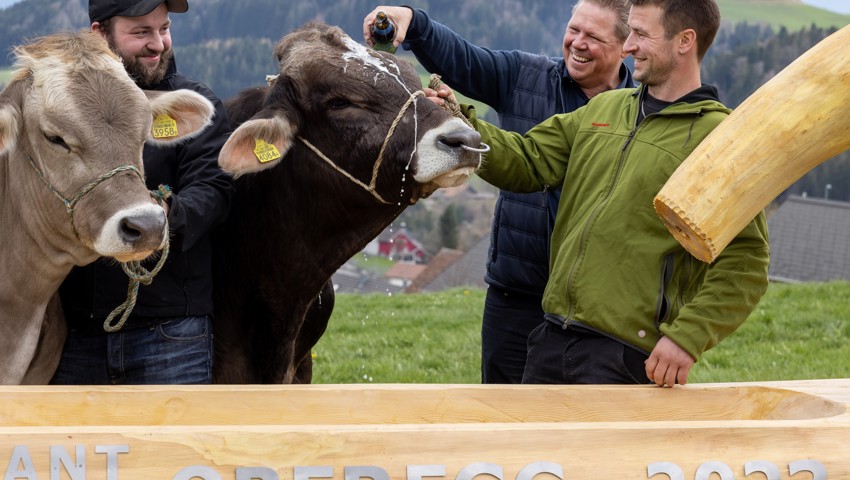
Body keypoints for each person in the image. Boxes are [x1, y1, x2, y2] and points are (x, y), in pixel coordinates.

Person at [452, 0, 770, 386]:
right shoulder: (605, 107)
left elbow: (746, 260)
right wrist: (458, 125)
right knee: (528, 448)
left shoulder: (717, 138)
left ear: (685, 41)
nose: (629, 46)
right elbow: (528, 159)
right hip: (551, 336)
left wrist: (687, 338)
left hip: (624, 357)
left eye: (640, 34)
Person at [363, 1, 635, 384]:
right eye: (574, 29)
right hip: (516, 298)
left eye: (593, 36)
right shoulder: (525, 76)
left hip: (592, 311)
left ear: (626, 46)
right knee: (503, 421)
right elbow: (464, 61)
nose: (577, 43)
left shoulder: (639, 115)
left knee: (575, 425)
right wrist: (415, 23)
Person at [51, 0, 233, 385]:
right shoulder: (62, 111)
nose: (158, 44)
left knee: (174, 447)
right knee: (75, 447)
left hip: (171, 336)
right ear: (100, 35)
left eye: (163, 28)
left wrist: (165, 212)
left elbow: (214, 190)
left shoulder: (194, 104)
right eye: (140, 32)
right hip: (75, 335)